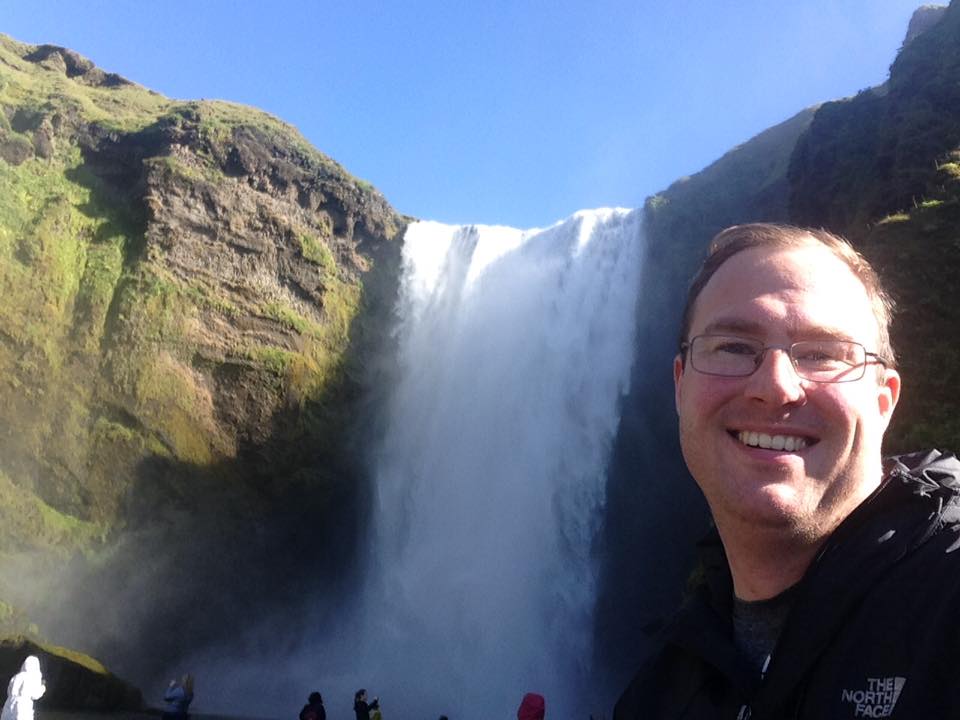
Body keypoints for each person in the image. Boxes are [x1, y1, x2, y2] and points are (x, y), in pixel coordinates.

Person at [614, 223, 960, 718]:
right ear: (680, 386)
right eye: (733, 347)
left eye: (823, 354)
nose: (776, 387)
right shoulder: (660, 691)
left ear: (884, 403)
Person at [0, 656, 45, 720]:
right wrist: (43, 688)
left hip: (9, 704)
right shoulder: (32, 678)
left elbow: (9, 691)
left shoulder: (16, 676)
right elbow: (35, 695)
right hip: (23, 707)